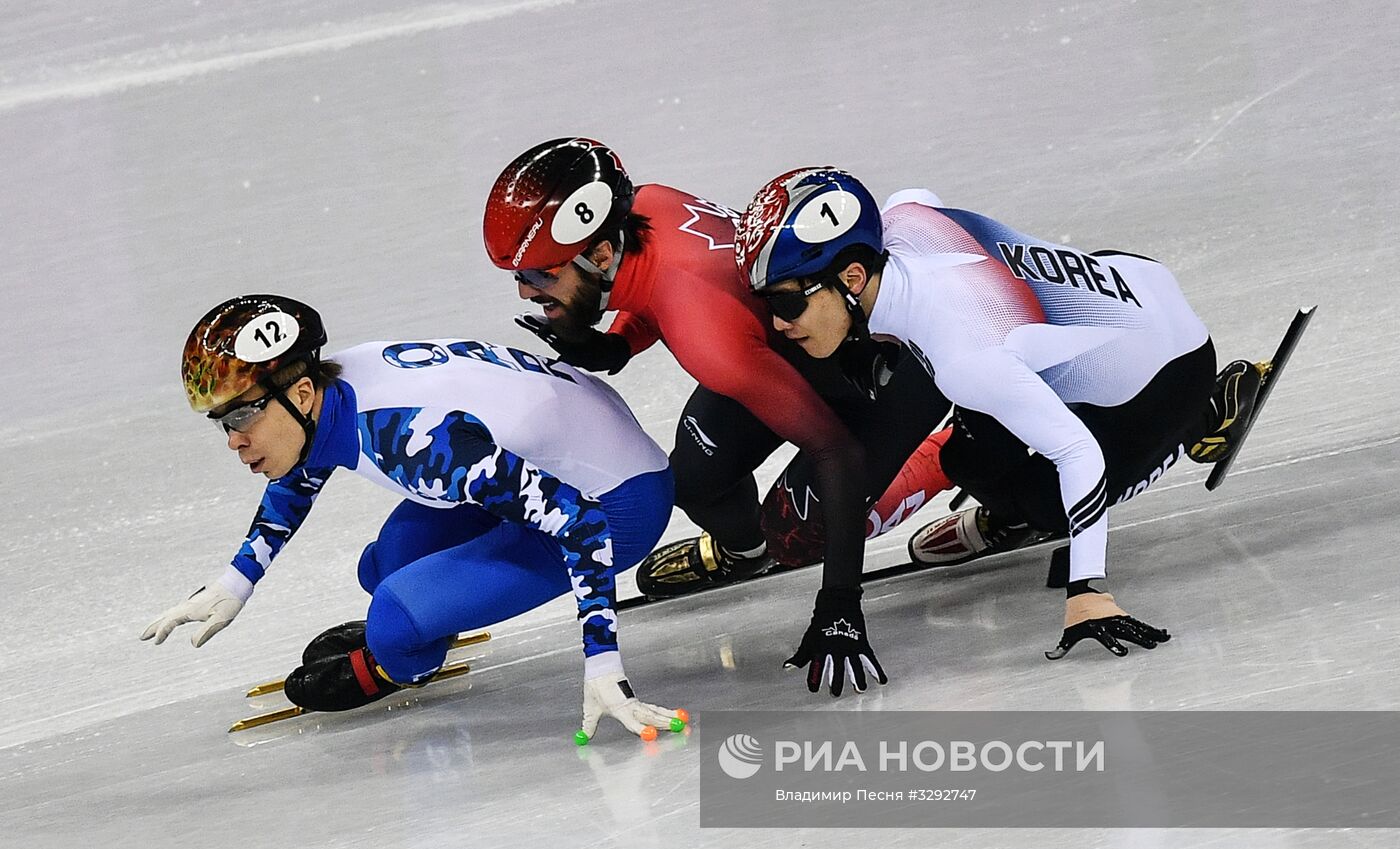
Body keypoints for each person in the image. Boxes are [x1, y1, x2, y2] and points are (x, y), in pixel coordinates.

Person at [483, 137, 953, 696]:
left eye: (539, 276)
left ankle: (946, 455)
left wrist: (840, 604)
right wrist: (614, 347)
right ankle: (744, 555)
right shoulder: (649, 205)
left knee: (798, 536)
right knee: (695, 482)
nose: (524, 290)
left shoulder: (709, 339)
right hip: (777, 346)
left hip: (883, 377)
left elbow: (837, 451)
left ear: (601, 255)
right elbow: (657, 291)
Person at [735, 168, 1264, 660]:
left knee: (1049, 505)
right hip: (1125, 279)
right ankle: (1011, 506)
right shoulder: (901, 222)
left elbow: (1078, 452)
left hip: (1170, 370)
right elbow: (917, 196)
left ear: (852, 279)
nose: (779, 324)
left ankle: (1206, 413)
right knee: (970, 459)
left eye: (787, 305)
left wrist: (1088, 591)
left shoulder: (965, 358)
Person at [141, 294, 680, 741]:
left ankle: (403, 656)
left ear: (302, 392)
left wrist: (605, 667)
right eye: (221, 422)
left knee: (395, 621)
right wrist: (237, 580)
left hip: (617, 502)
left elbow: (579, 523)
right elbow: (302, 465)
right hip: (555, 458)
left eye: (241, 416)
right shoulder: (332, 391)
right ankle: (424, 620)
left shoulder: (409, 441)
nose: (234, 441)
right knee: (385, 564)